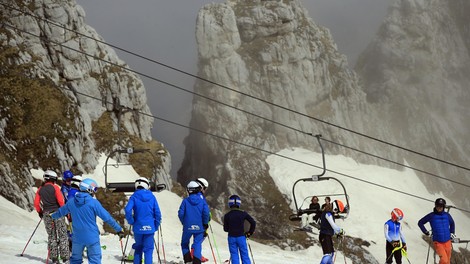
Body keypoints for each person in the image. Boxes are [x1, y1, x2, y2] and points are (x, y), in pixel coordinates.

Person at [51, 178, 124, 264]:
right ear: (89, 189)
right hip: (92, 237)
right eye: (94, 189)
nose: (94, 192)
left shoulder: (71, 202)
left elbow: (60, 212)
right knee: (94, 260)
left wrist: (51, 216)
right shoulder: (93, 203)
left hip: (77, 237)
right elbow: (107, 218)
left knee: (75, 260)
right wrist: (118, 229)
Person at [34, 170, 69, 264]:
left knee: (52, 236)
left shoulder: (40, 189)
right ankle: (65, 257)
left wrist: (40, 212)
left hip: (46, 214)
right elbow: (61, 201)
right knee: (62, 235)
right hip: (57, 213)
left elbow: (36, 203)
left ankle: (54, 258)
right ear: (53, 179)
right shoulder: (55, 188)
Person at [124, 177, 162, 264]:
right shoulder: (152, 197)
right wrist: (155, 226)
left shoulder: (133, 197)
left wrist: (131, 221)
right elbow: (158, 213)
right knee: (148, 250)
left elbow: (127, 210)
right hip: (150, 228)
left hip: (138, 227)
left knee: (138, 248)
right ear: (147, 185)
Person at [178, 181, 210, 264]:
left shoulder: (185, 201)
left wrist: (184, 222)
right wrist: (205, 223)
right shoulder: (202, 201)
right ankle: (196, 261)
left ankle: (188, 260)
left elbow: (181, 213)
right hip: (199, 227)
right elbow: (206, 213)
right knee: (197, 244)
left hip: (187, 226)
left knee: (184, 243)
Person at [418, 198, 456, 264]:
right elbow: (420, 222)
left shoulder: (447, 215)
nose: (439, 208)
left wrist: (452, 232)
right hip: (438, 242)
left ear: (443, 207)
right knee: (444, 260)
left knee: (448, 261)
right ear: (435, 206)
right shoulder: (431, 216)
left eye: (441, 206)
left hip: (448, 241)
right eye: (437, 206)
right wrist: (426, 232)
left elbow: (452, 223)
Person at [223, 195, 256, 264]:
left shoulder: (227, 215)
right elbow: (253, 222)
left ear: (230, 203)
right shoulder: (243, 213)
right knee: (244, 255)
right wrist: (249, 233)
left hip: (231, 237)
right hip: (241, 237)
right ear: (239, 203)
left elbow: (225, 229)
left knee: (234, 255)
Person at [319, 200, 345, 264]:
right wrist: (340, 231)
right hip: (324, 235)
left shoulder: (329, 213)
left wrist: (336, 234)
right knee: (328, 254)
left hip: (327, 235)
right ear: (335, 208)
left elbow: (330, 227)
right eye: (337, 211)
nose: (337, 213)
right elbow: (333, 225)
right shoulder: (328, 214)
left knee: (331, 253)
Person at [192, 177, 210, 262]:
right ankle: (196, 255)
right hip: (200, 221)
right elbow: (204, 210)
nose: (205, 190)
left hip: (192, 220)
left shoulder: (192, 194)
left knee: (197, 238)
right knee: (199, 238)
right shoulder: (200, 197)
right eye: (205, 188)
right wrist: (206, 221)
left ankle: (195, 254)